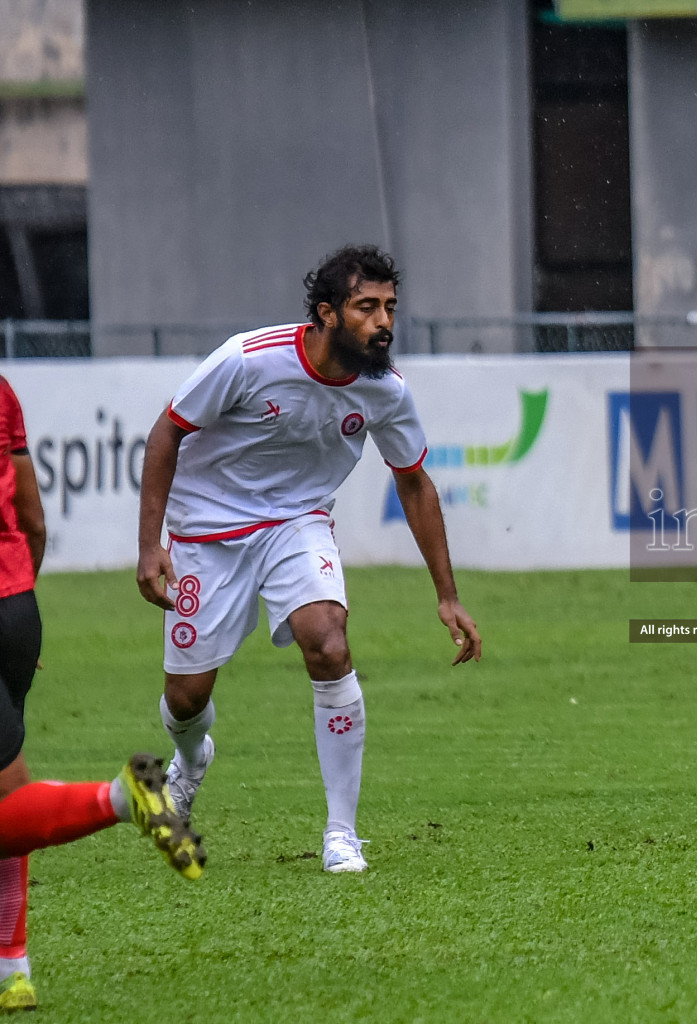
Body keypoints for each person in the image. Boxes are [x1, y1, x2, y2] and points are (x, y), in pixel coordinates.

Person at [136, 244, 482, 875]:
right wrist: (150, 545)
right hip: (206, 537)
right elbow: (167, 431)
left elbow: (413, 481)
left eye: (390, 308)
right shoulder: (250, 358)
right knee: (186, 699)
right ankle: (191, 759)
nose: (383, 322)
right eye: (365, 307)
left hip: (297, 524)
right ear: (327, 313)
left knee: (327, 642)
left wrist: (447, 594)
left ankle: (341, 833)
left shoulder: (386, 391)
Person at [0, 376, 203, 1014]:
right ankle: (13, 970)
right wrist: (17, 604)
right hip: (13, 604)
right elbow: (32, 520)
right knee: (11, 792)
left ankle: (121, 799)